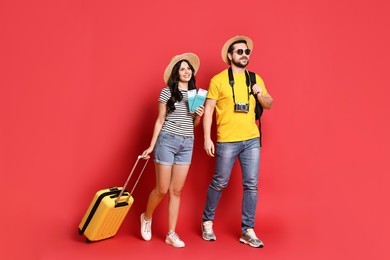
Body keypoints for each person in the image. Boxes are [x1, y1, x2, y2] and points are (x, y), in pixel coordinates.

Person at [201, 36, 273, 248]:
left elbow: (269, 104)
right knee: (220, 182)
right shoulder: (218, 80)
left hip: (251, 139)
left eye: (247, 52)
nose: (244, 55)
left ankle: (248, 230)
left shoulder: (255, 78)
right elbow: (209, 110)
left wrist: (260, 94)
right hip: (227, 140)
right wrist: (207, 138)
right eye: (239, 52)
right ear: (230, 56)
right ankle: (207, 221)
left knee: (251, 185)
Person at [140, 53, 204, 248]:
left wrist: (199, 116)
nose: (186, 71)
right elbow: (160, 120)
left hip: (187, 143)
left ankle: (171, 233)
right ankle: (146, 217)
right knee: (162, 189)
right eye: (182, 68)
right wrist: (151, 146)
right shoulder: (167, 92)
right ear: (177, 73)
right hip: (167, 140)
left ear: (192, 73)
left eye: (188, 68)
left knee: (176, 191)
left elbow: (192, 125)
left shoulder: (196, 94)